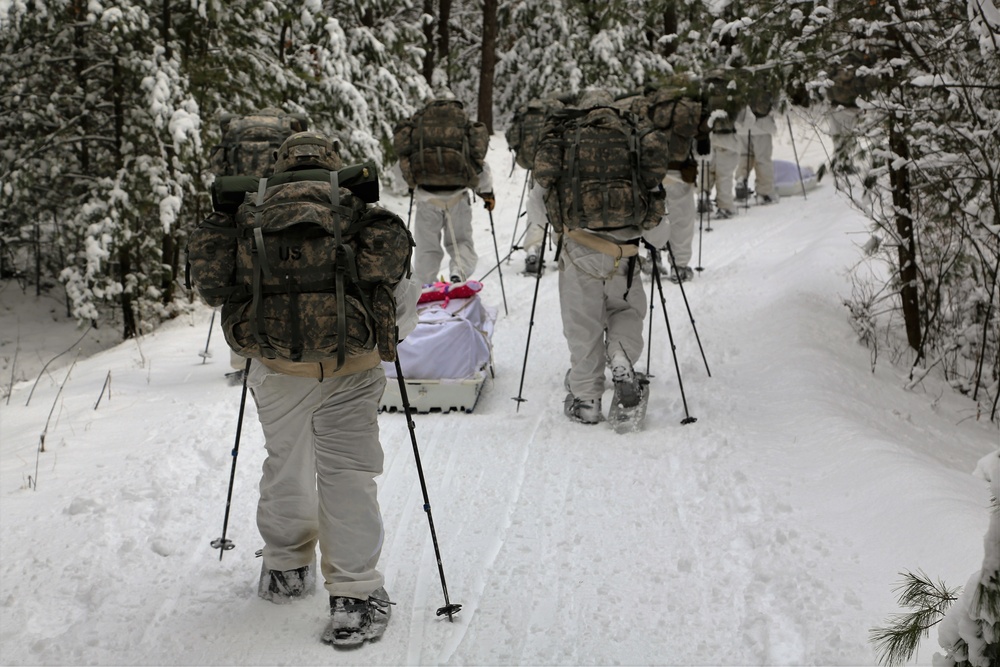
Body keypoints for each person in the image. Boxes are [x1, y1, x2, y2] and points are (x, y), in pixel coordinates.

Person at [246, 132, 420, 647]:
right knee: (347, 475)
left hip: (277, 372)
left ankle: (285, 567)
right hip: (352, 368)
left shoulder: (251, 218)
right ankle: (354, 596)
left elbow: (227, 297)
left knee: (286, 465)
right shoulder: (361, 215)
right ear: (333, 168)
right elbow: (403, 297)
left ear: (279, 168)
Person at [533, 88, 667, 424]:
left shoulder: (567, 139)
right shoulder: (633, 138)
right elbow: (657, 203)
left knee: (583, 326)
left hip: (581, 248)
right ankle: (621, 356)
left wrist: (548, 225)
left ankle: (587, 400)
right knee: (626, 310)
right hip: (627, 250)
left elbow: (539, 203)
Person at [406, 91, 494, 285]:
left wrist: (410, 185)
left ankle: (425, 286)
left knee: (426, 248)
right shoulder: (462, 129)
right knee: (461, 242)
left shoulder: (421, 131)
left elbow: (404, 165)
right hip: (458, 198)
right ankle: (458, 274)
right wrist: (486, 193)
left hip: (426, 198)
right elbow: (479, 165)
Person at [701, 72, 740, 220]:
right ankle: (725, 208)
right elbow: (747, 119)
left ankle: (703, 196)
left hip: (709, 140)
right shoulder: (733, 96)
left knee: (707, 172)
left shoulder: (704, 96)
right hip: (728, 141)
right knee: (724, 176)